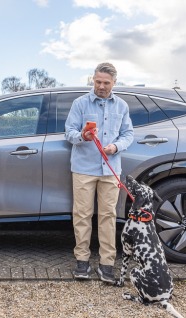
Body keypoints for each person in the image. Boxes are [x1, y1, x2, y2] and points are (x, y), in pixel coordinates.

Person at [64, 62, 133, 283]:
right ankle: (82, 262)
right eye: (98, 82)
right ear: (92, 80)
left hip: (110, 170)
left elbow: (128, 134)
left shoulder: (121, 106)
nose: (101, 86)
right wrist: (81, 136)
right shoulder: (80, 103)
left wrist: (115, 147)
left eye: (106, 83)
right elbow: (69, 132)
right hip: (83, 168)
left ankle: (107, 264)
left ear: (114, 82)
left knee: (108, 217)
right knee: (82, 216)